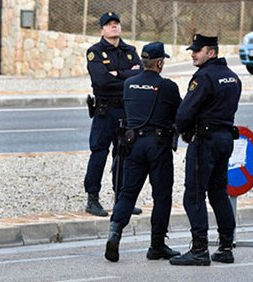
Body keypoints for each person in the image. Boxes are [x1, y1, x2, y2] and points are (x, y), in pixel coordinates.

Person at [104, 42, 182, 262]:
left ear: (142, 61)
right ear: (159, 63)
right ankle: (157, 245)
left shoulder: (129, 84)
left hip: (133, 146)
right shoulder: (168, 87)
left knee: (128, 193)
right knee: (162, 196)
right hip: (158, 146)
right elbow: (181, 113)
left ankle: (115, 234)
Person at [169, 34, 241, 266]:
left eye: (197, 51)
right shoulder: (232, 77)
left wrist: (182, 130)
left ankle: (199, 250)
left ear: (211, 52)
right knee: (219, 192)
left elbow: (184, 113)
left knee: (194, 194)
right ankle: (226, 247)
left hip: (205, 142)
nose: (193, 54)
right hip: (225, 138)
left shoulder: (203, 77)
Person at [84, 11, 143, 217]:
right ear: (102, 29)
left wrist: (118, 74)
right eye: (109, 24)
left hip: (126, 110)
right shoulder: (95, 52)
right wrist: (128, 76)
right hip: (104, 110)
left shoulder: (130, 50)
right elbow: (102, 81)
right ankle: (92, 198)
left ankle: (122, 198)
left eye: (116, 23)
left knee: (124, 155)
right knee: (99, 153)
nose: (114, 26)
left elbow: (140, 75)